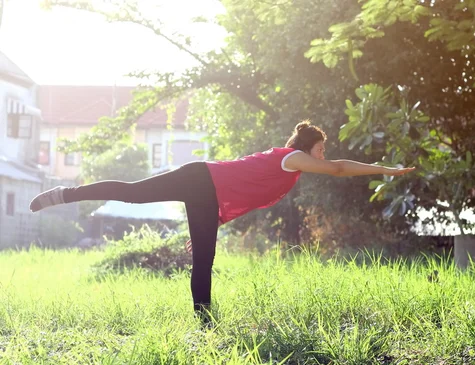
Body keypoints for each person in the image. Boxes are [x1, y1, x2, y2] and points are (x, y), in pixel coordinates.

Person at [29, 120, 415, 316]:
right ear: (307, 145)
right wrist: (384, 169)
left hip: (207, 193)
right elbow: (339, 169)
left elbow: (334, 166)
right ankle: (65, 194)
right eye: (321, 147)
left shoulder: (292, 165)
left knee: (204, 259)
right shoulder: (292, 157)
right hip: (200, 179)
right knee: (132, 193)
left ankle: (203, 320)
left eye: (323, 149)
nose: (323, 154)